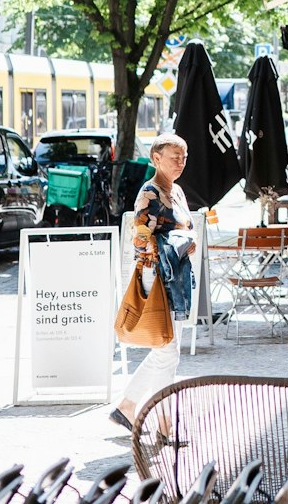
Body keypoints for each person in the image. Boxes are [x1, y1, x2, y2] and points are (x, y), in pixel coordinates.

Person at [113, 135, 195, 430]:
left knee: (165, 351)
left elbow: (185, 228)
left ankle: (129, 406)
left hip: (177, 275)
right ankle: (164, 423)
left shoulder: (178, 192)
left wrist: (187, 242)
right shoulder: (150, 192)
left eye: (184, 156)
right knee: (167, 351)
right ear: (156, 158)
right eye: (175, 156)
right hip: (158, 275)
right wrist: (178, 245)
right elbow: (140, 239)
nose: (180, 162)